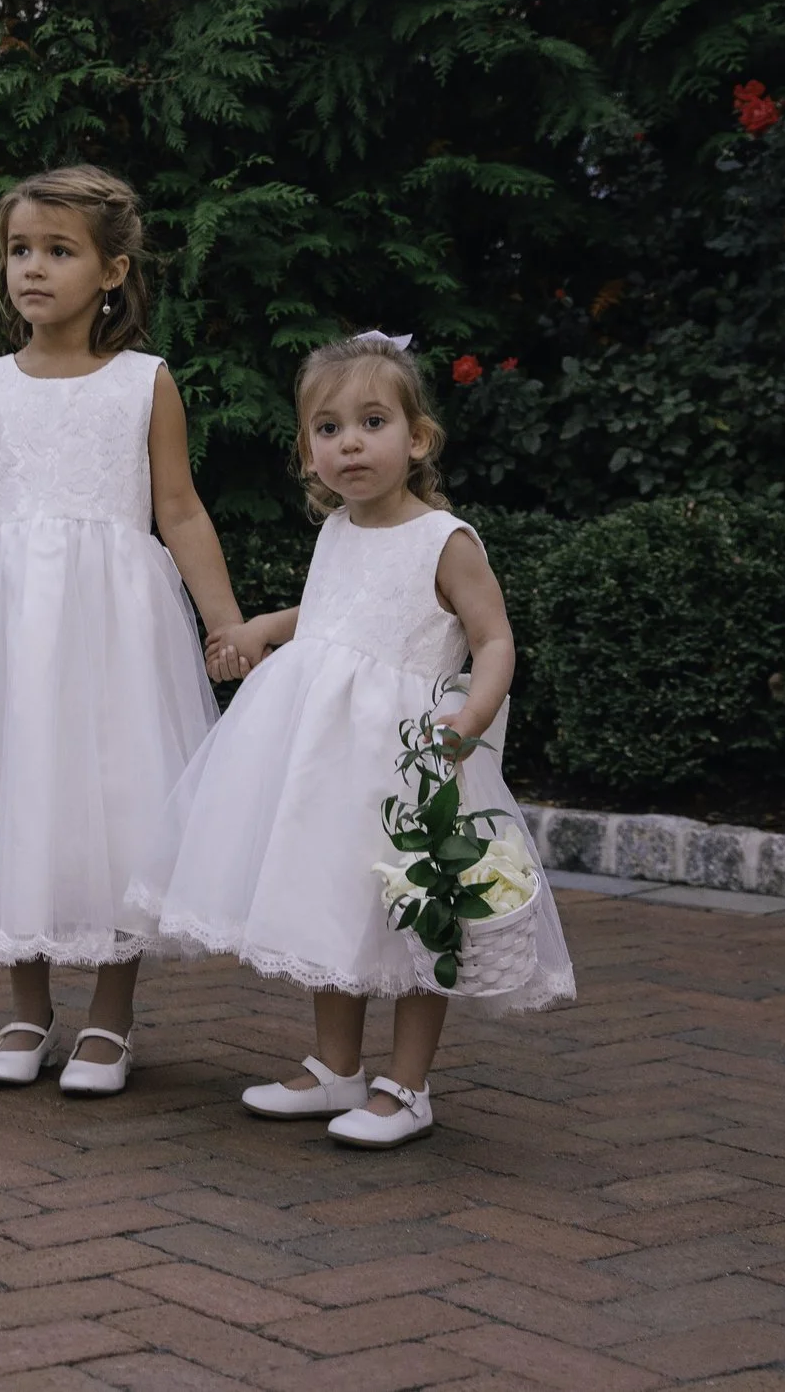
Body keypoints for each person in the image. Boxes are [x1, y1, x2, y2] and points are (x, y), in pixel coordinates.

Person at [146, 332, 575, 1149]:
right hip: (323, 759)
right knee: (330, 901)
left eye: (372, 421)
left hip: (410, 758)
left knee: (414, 911)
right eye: (328, 428)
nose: (349, 442)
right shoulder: (338, 530)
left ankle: (407, 1085)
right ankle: (334, 1066)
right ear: (308, 452)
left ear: (416, 439)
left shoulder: (445, 538)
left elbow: (493, 641)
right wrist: (261, 627)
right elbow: (334, 614)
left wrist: (475, 715)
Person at [0, 165, 248, 1097]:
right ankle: (26, 1004)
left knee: (116, 796)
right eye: (19, 250)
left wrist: (226, 624)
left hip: (118, 625)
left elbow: (179, 511)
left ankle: (111, 1013)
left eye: (58, 251)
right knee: (22, 798)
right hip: (16, 628)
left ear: (111, 270)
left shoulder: (145, 383)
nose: (33, 269)